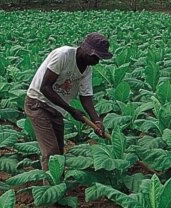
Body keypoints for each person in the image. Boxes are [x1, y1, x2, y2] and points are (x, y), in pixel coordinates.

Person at [25, 32, 112, 170]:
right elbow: (45, 87)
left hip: (57, 108)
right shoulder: (63, 55)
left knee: (59, 151)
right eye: (96, 57)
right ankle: (50, 188)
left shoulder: (87, 69)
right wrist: (72, 111)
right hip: (38, 103)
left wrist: (96, 121)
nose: (97, 61)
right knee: (51, 152)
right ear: (86, 50)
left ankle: (57, 180)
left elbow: (86, 97)